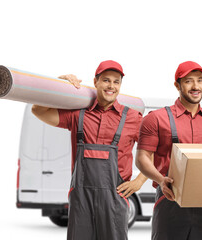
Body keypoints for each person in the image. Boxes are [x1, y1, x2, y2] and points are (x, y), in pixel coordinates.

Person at [32, 60, 147, 240]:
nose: (111, 86)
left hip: (115, 200)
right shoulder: (78, 114)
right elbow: (38, 110)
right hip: (81, 200)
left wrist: (139, 181)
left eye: (116, 82)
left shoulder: (133, 118)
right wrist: (58, 85)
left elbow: (156, 149)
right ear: (96, 82)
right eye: (106, 80)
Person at [136, 61, 202, 240]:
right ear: (177, 85)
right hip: (169, 200)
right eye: (189, 81)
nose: (196, 86)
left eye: (200, 80)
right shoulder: (156, 119)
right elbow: (142, 158)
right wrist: (160, 180)